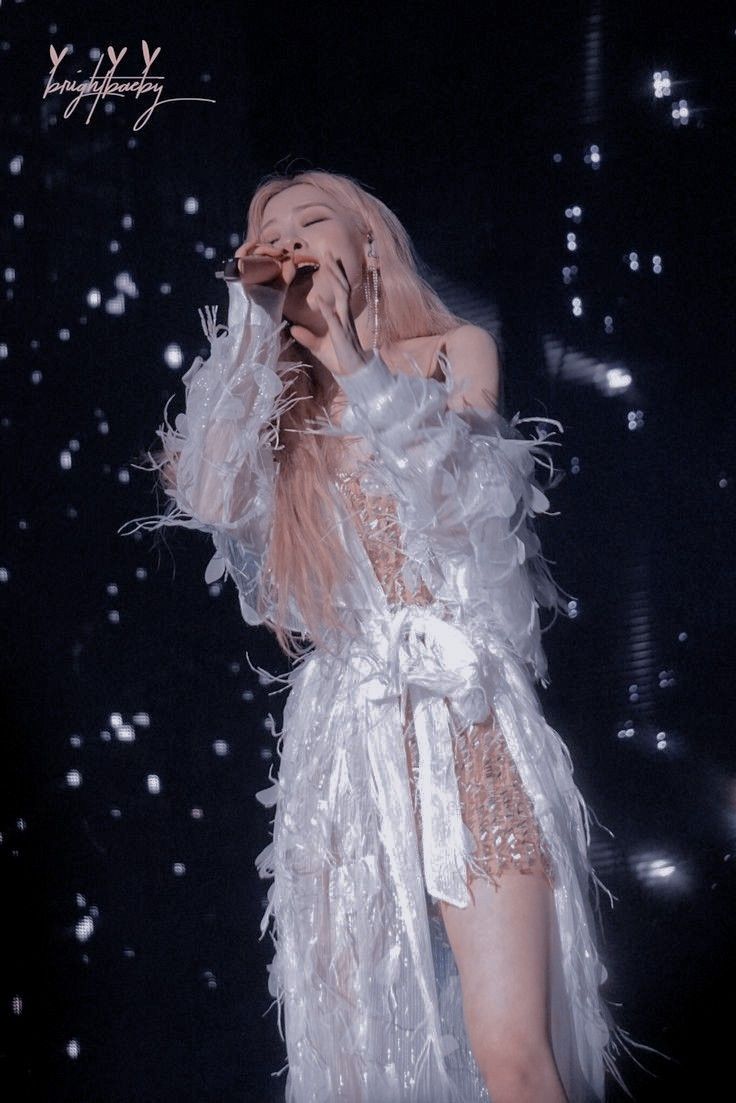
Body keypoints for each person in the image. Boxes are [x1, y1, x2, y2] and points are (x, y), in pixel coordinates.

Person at [119, 169, 646, 1102]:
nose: (289, 239)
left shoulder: (454, 351)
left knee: (514, 1052)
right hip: (346, 747)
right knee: (358, 1061)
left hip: (465, 715)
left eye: (311, 222)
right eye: (269, 232)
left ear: (368, 245)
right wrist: (255, 334)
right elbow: (204, 497)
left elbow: (465, 498)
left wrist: (355, 359)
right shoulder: (277, 420)